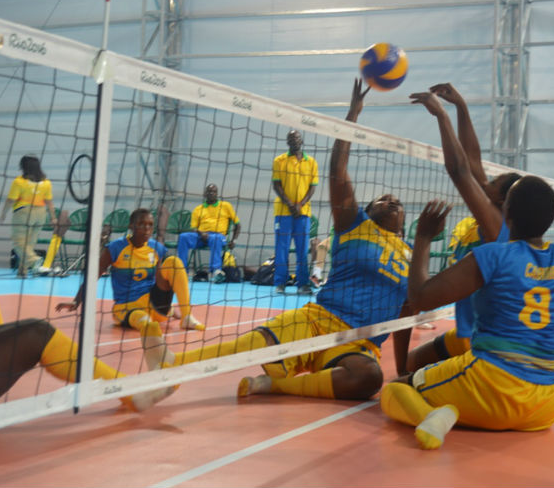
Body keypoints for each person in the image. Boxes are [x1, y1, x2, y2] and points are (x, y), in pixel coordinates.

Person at [143, 79, 413, 401]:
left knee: (369, 379)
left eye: (397, 202)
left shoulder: (411, 253)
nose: (391, 201)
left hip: (359, 343)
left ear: (403, 225)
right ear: (367, 211)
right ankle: (173, 367)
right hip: (317, 321)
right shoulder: (354, 224)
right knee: (257, 342)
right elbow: (338, 170)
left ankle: (276, 385)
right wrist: (352, 117)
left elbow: (409, 311)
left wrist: (404, 365)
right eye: (383, 199)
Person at [380, 177, 554, 450]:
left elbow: (420, 298)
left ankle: (431, 416)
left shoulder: (492, 256)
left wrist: (423, 237)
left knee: (396, 389)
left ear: (507, 213)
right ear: (550, 218)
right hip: (544, 408)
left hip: (490, 389)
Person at [405, 84, 521, 372]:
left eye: (493, 182)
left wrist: (442, 116)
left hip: (484, 342)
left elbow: (460, 169)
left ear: (502, 200)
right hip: (468, 331)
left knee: (404, 387)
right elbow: (472, 161)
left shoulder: (497, 227)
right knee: (410, 364)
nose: (485, 182)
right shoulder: (497, 218)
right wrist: (461, 107)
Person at [0, 257, 174, 411]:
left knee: (36, 331)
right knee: (37, 332)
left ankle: (129, 389)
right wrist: (77, 301)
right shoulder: (118, 249)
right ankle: (130, 390)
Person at [57, 208, 205, 333]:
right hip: (127, 308)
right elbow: (92, 276)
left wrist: (168, 306)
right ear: (131, 226)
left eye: (150, 225)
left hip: (155, 306)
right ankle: (153, 320)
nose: (147, 229)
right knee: (146, 323)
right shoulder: (116, 248)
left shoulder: (156, 248)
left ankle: (187, 316)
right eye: (141, 224)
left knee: (174, 262)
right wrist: (77, 300)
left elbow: (162, 280)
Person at [272, 129, 318, 295]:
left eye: (297, 138)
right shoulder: (279, 161)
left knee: (302, 250)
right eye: (291, 138)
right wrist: (291, 204)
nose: (294, 140)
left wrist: (300, 204)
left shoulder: (311, 162)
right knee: (282, 249)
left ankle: (302, 284)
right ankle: (280, 283)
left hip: (303, 213)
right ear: (287, 142)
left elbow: (312, 187)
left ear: (302, 141)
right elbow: (276, 185)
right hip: (283, 212)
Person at [0, 155, 58, 277]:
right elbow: (49, 202)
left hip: (24, 213)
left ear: (23, 167)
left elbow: (11, 200)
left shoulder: (19, 182)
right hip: (41, 214)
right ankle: (22, 271)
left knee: (19, 242)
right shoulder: (46, 183)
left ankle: (34, 260)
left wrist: (3, 213)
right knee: (29, 244)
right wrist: (53, 217)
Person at [176, 184, 241, 283]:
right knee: (183, 237)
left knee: (215, 239)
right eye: (209, 191)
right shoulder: (198, 209)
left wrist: (234, 240)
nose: (211, 193)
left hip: (218, 236)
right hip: (200, 235)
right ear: (205, 194)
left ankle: (216, 272)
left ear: (217, 194)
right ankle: (182, 270)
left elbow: (238, 225)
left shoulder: (226, 206)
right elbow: (194, 228)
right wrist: (201, 233)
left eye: (214, 192)